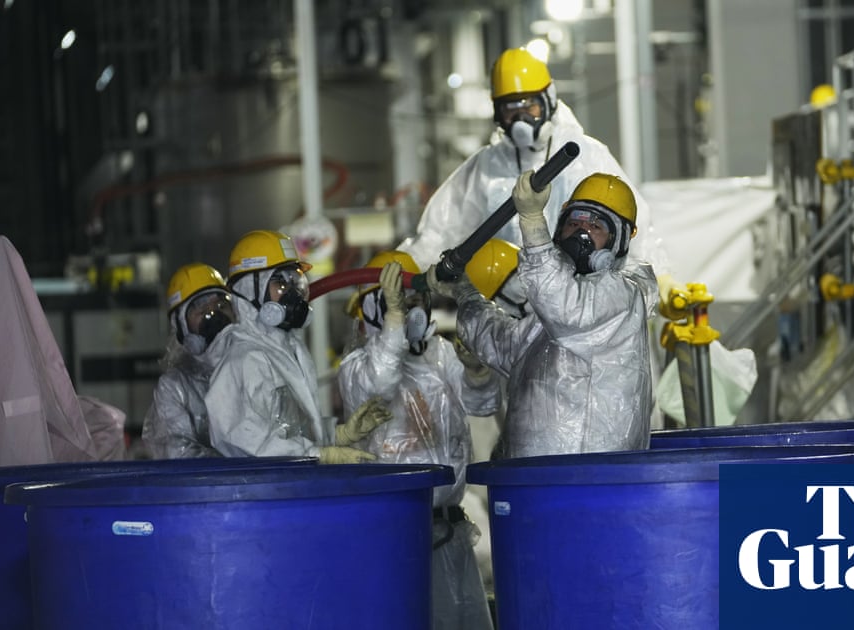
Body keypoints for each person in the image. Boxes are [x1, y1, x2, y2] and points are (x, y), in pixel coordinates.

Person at [398, 47, 673, 292]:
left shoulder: (584, 154)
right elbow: (439, 232)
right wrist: (403, 269)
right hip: (506, 306)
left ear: (548, 100)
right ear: (497, 113)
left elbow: (632, 227)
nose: (521, 119)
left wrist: (661, 280)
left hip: (578, 300)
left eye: (529, 106)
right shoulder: (486, 167)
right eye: (510, 109)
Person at [432, 171, 658, 458]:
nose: (581, 234)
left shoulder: (622, 295)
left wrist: (532, 220)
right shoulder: (554, 311)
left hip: (590, 475)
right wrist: (460, 294)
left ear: (619, 241)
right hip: (535, 476)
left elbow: (564, 306)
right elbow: (504, 344)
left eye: (596, 226)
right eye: (573, 223)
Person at [337, 250, 499, 630]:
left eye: (416, 300)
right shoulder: (357, 367)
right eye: (399, 301)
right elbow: (380, 383)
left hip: (451, 527)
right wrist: (394, 324)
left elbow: (483, 403)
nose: (412, 310)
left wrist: (477, 371)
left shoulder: (440, 355)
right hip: (397, 533)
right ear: (374, 308)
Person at [206, 230, 388, 463]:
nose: (293, 293)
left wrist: (338, 434)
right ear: (250, 290)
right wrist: (318, 455)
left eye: (295, 281)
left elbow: (295, 429)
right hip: (272, 486)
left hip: (297, 481)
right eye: (281, 283)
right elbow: (243, 442)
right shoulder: (240, 361)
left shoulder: (289, 349)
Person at [142, 263, 237, 458]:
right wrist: (236, 466)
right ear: (182, 326)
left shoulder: (252, 364)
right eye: (202, 311)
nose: (215, 316)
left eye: (221, 306)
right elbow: (178, 453)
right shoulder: (174, 386)